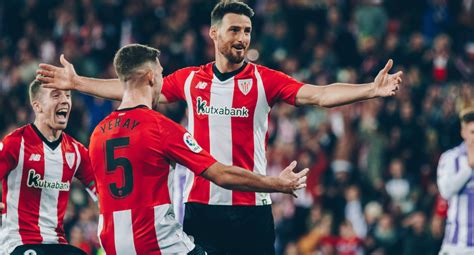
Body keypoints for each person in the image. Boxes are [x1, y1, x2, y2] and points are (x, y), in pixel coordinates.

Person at [36, 1, 403, 253]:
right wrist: (78, 82)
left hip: (253, 208)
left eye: (247, 31)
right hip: (202, 207)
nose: (242, 38)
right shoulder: (191, 80)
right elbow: (134, 88)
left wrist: (369, 89)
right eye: (234, 30)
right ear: (214, 34)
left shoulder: (265, 80)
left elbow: (319, 95)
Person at [89, 43, 308, 254]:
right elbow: (221, 174)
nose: (162, 80)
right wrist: (275, 184)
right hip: (160, 244)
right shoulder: (161, 128)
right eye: (161, 74)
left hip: (112, 244)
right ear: (150, 77)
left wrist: (77, 82)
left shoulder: (98, 133)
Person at [0, 80, 97, 255]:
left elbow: (103, 190)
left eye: (68, 96)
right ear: (37, 106)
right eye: (56, 95)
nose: (65, 101)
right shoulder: (15, 143)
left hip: (56, 242)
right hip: (17, 242)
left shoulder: (76, 151)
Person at [437, 106, 474, 254]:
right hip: (456, 245)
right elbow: (445, 191)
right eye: (472, 132)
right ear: (463, 133)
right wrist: (468, 168)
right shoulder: (450, 158)